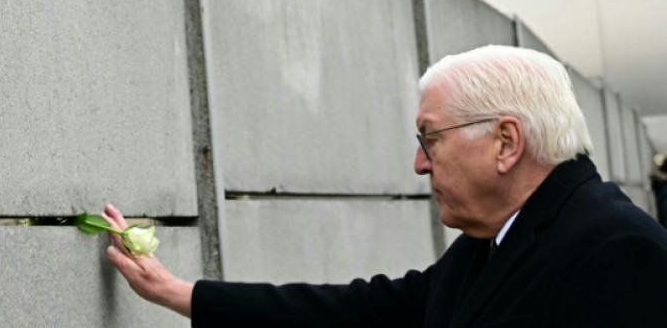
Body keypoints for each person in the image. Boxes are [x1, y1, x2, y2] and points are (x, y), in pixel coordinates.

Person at [100, 45, 667, 326]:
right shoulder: (496, 241)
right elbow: (358, 313)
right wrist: (181, 293)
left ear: (505, 142)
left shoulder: (620, 252)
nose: (420, 164)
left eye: (431, 139)